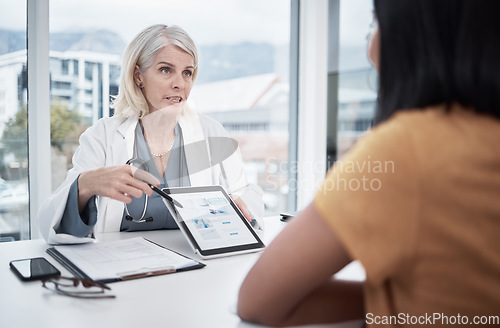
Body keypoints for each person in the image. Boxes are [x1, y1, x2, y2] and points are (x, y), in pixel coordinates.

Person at [238, 0, 500, 326]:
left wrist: (392, 300)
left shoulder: (407, 149)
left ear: (408, 35)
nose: (369, 45)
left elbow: (257, 300)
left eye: (374, 23)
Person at [38, 24, 264, 245]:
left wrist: (237, 204)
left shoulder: (211, 132)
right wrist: (84, 185)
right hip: (124, 267)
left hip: (195, 268)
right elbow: (50, 223)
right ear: (138, 76)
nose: (179, 84)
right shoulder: (103, 136)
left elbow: (246, 193)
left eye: (187, 73)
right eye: (166, 70)